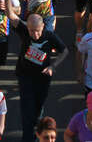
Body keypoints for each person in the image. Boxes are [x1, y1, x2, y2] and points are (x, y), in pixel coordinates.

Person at [16, 13, 69, 142]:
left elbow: (64, 51)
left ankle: (38, 132)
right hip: (25, 76)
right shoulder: (24, 31)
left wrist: (53, 66)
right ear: (27, 27)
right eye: (31, 31)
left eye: (38, 31)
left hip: (43, 78)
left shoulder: (49, 36)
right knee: (27, 110)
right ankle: (28, 138)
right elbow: (11, 16)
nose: (35, 35)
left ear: (43, 26)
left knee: (38, 109)